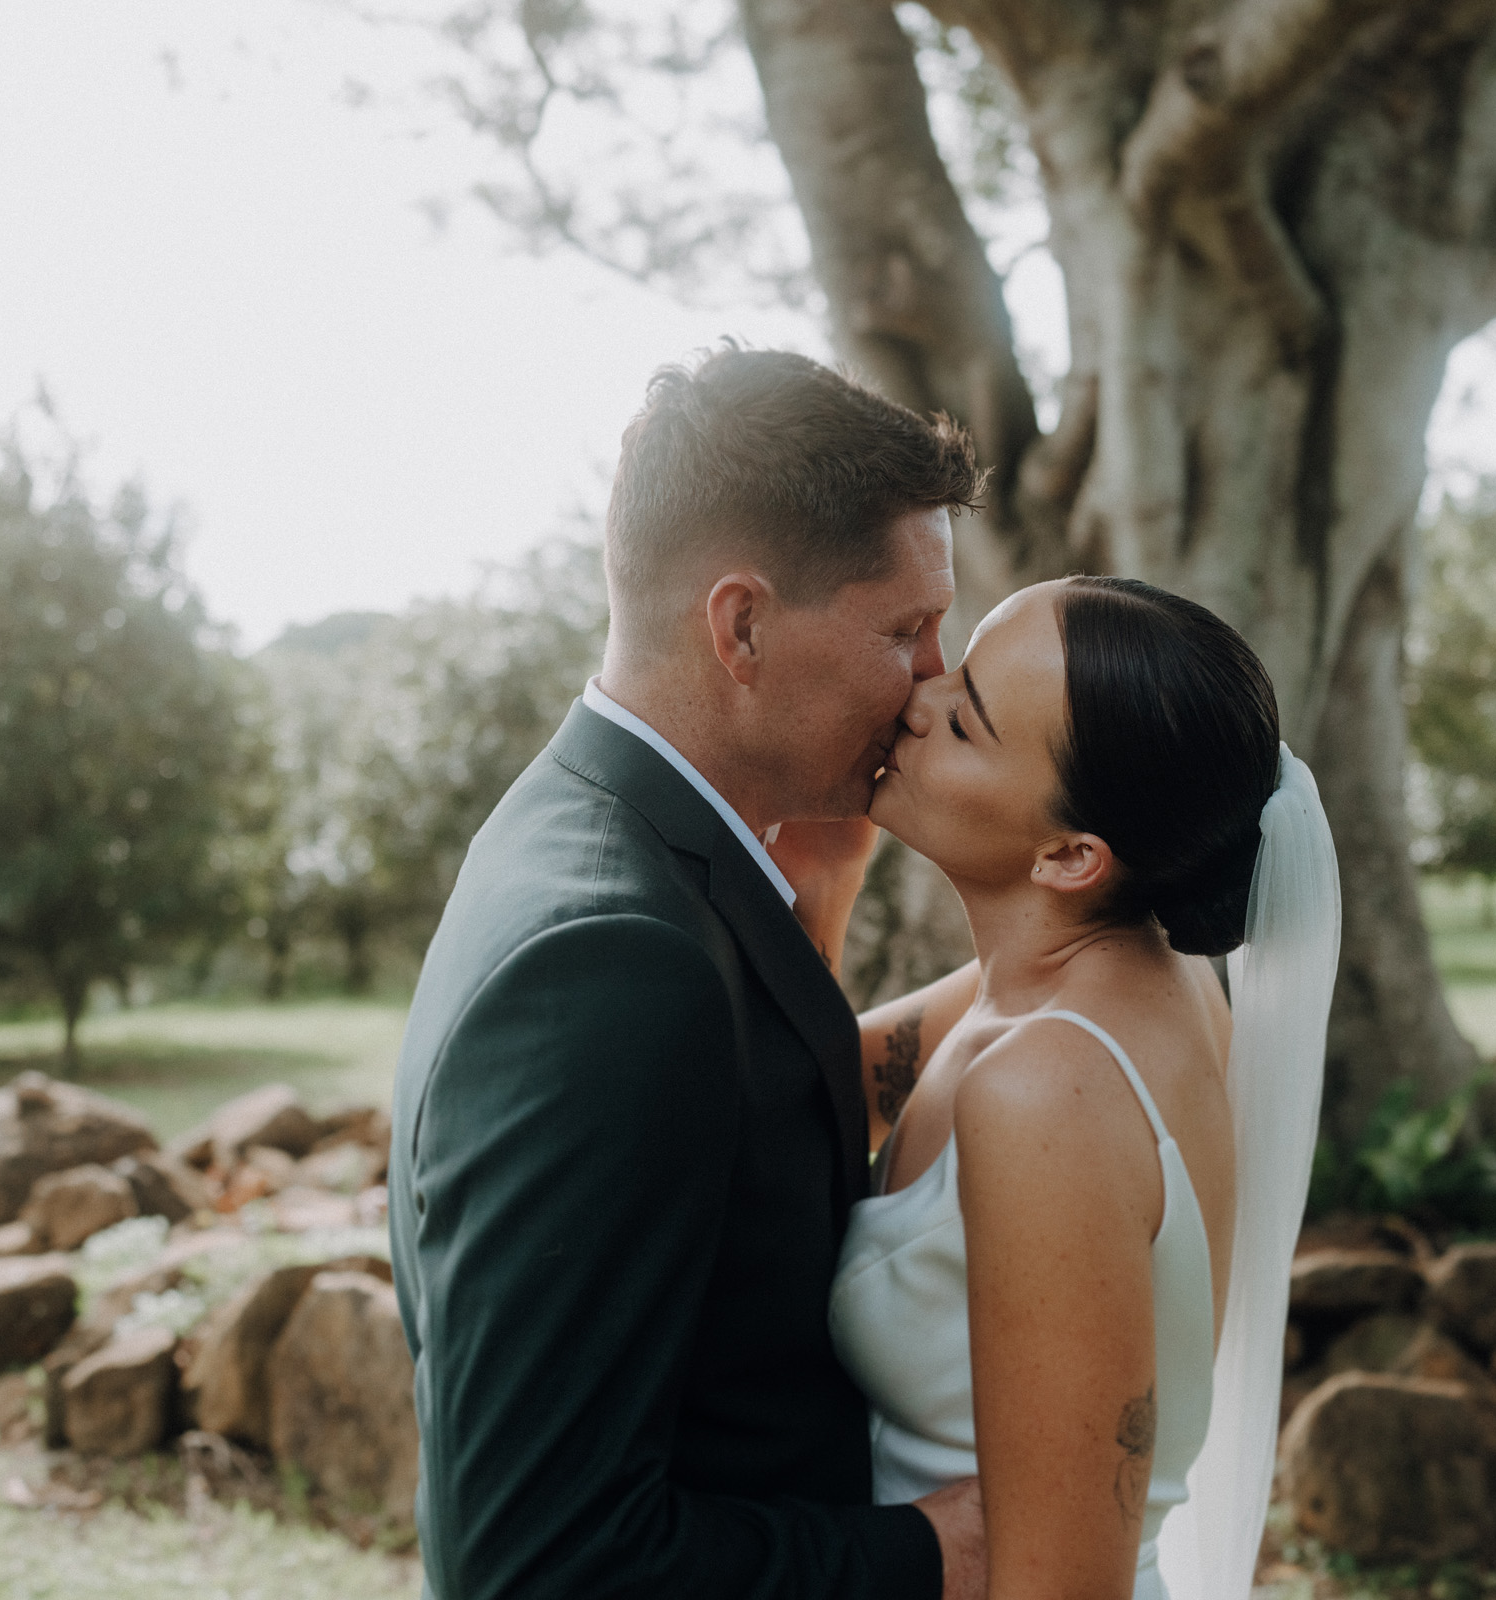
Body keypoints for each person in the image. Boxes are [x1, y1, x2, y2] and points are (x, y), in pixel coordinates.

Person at [387, 347, 991, 1600]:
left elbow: (750, 1114)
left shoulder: (610, 831)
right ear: (743, 625)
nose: (938, 674)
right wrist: (934, 1551)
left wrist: (1059, 969)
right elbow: (535, 1564)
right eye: (904, 630)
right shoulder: (612, 962)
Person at [798, 576, 1342, 1600]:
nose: (917, 698)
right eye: (955, 667)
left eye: (963, 720)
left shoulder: (1049, 1090)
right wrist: (819, 885)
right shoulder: (1096, 976)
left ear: (1069, 855)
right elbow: (811, 1088)